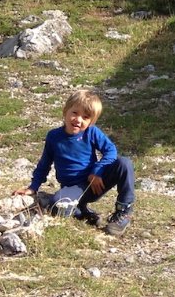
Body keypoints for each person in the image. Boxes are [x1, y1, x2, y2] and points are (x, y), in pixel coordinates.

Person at [14, 88, 135, 236]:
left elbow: (111, 151)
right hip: (73, 187)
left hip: (95, 182)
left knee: (124, 163)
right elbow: (44, 165)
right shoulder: (54, 136)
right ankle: (81, 211)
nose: (78, 120)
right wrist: (33, 187)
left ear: (91, 121)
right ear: (65, 111)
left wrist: (97, 170)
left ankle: (123, 212)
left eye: (85, 117)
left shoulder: (92, 132)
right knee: (56, 207)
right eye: (75, 113)